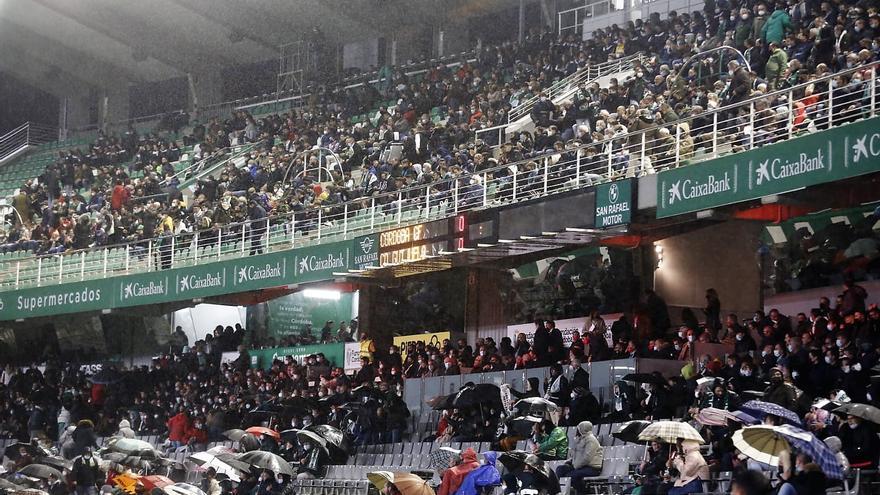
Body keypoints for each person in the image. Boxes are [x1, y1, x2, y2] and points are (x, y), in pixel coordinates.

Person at [555, 421, 603, 494]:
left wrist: (576, 466)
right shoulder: (579, 440)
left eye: (578, 429)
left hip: (591, 468)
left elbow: (587, 458)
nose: (577, 431)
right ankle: (557, 491)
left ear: (583, 429)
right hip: (579, 466)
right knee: (560, 469)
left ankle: (584, 492)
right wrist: (570, 461)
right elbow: (575, 455)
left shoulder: (591, 440)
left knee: (571, 476)